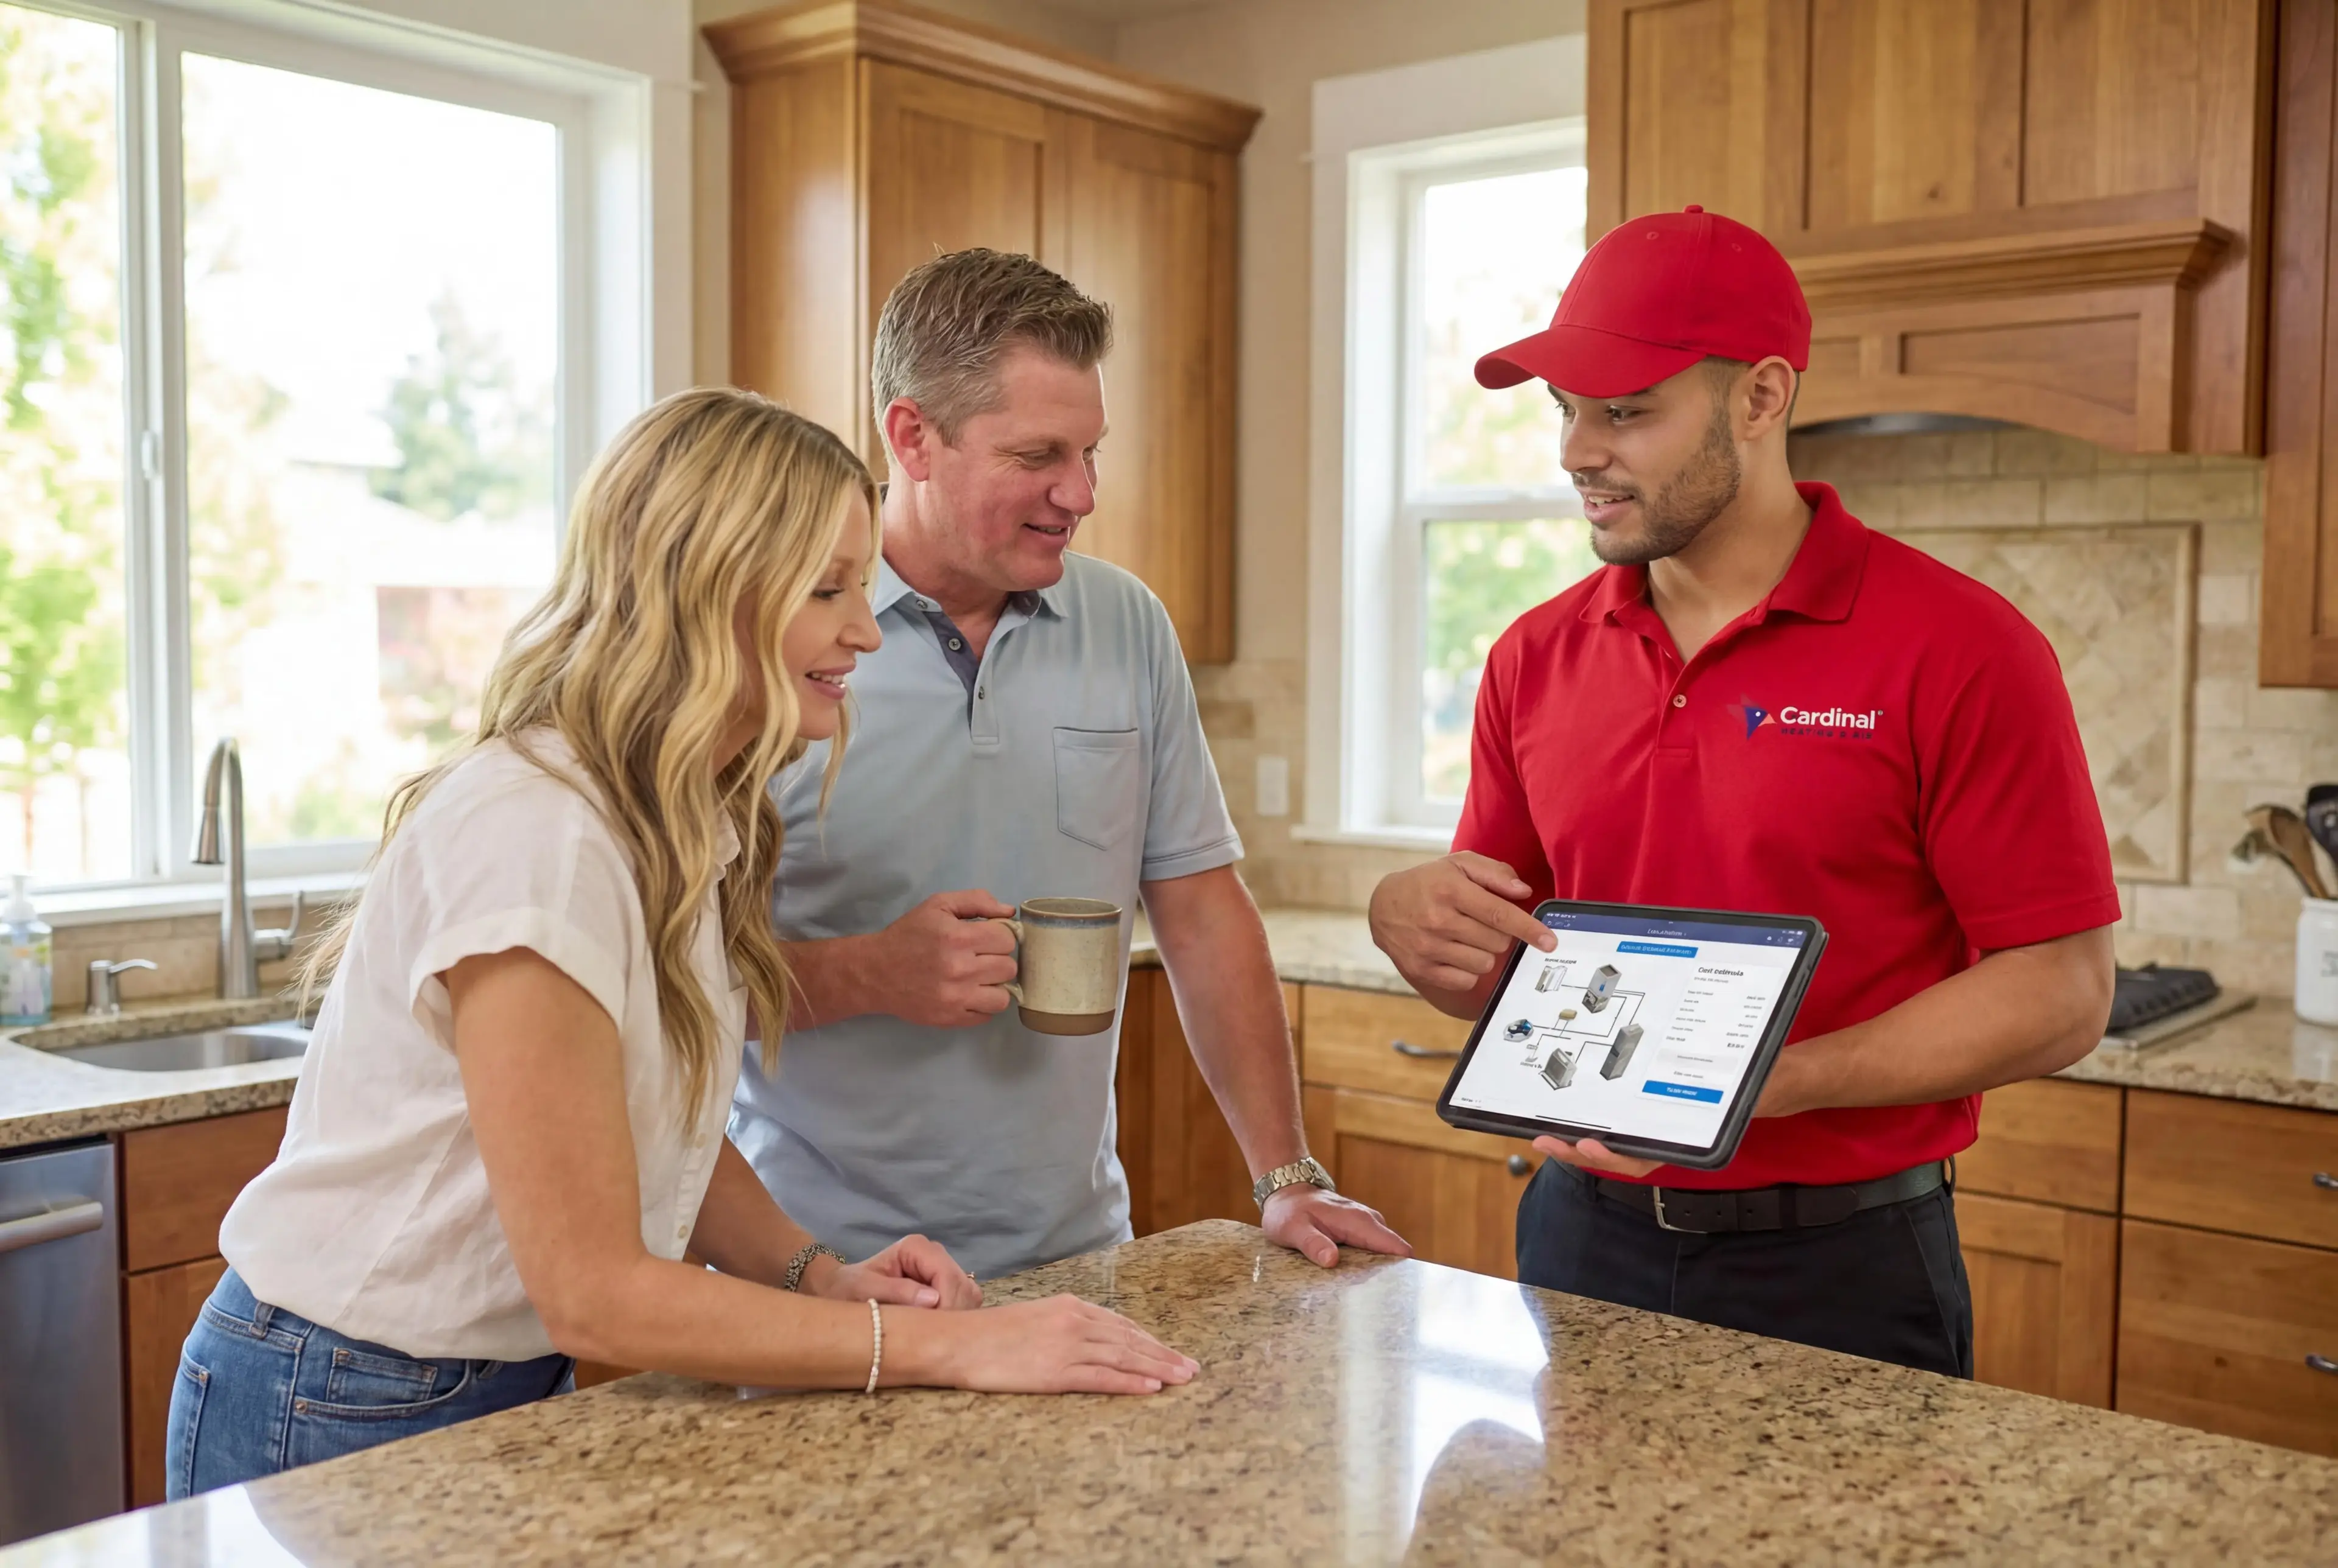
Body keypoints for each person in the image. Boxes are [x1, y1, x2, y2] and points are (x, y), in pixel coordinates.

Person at [168, 389, 1196, 1499]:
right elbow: (596, 1292)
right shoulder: (540, 836)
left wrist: (820, 1276)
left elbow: (666, 1126)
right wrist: (952, 1348)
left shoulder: (671, 813)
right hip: (334, 1393)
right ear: (710, 590)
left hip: (468, 1379)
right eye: (827, 588)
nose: (863, 627)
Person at [1367, 206, 2119, 1376]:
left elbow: (2063, 993)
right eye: (1567, 410)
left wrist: (1770, 1084)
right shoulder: (1532, 657)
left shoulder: (1963, 647)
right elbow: (1506, 972)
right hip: (1578, 1236)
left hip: (1843, 1265)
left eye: (1626, 412)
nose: (1576, 451)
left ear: (1762, 398)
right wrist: (1413, 925)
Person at [729, 250, 1407, 1280]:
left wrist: (1287, 1177)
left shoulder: (1124, 620)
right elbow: (659, 989)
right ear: (913, 436)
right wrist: (863, 972)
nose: (1080, 492)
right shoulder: (778, 631)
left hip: (1080, 1261)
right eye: (1038, 454)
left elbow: (1201, 908)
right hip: (814, 1269)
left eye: (1091, 451)